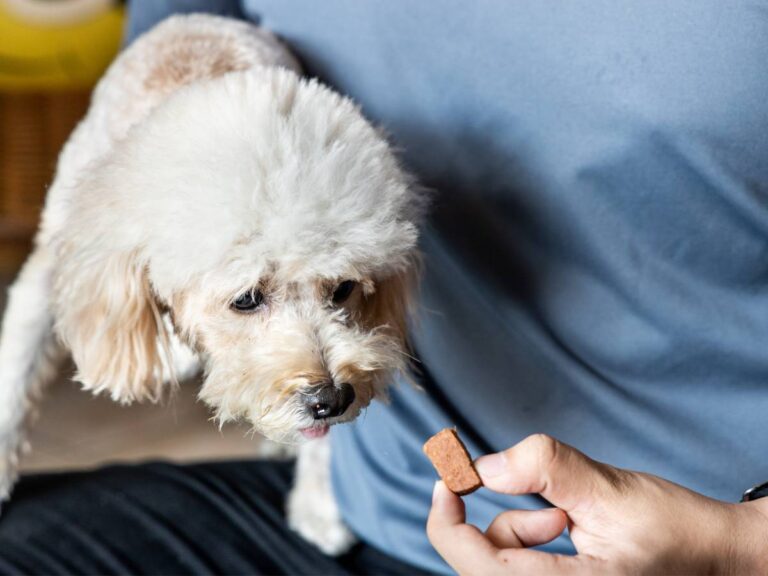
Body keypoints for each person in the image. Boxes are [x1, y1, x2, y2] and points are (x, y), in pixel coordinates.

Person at [1, 1, 767, 573]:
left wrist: (728, 544)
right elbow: (178, 52)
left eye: (342, 289)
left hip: (693, 538)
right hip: (375, 512)